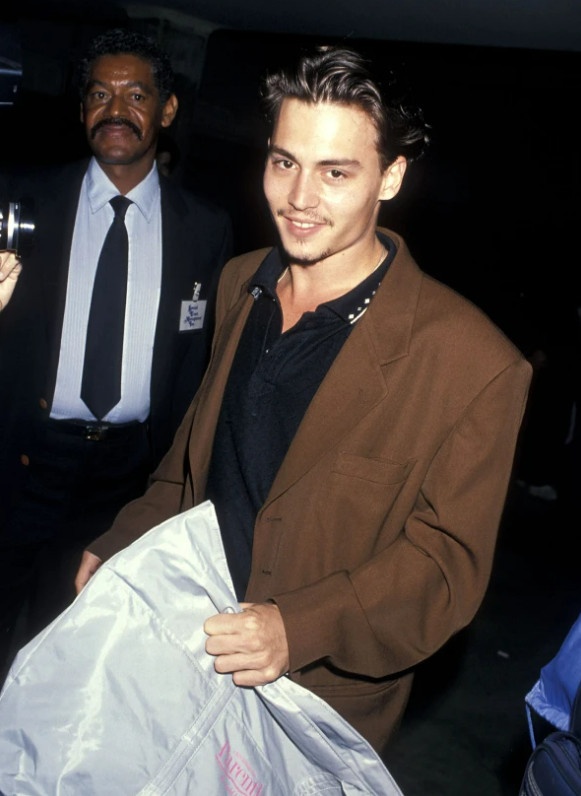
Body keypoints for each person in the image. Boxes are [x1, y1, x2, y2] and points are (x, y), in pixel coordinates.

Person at [76, 45, 532, 755]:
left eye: (335, 172)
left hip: (313, 708)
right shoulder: (236, 285)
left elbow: (444, 569)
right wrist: (120, 542)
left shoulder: (472, 362)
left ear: (391, 176)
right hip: (181, 651)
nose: (298, 199)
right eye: (284, 162)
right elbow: (192, 467)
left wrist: (301, 625)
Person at [0, 28, 232, 679]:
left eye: (135, 94)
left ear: (167, 110)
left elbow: (200, 358)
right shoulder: (21, 200)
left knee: (67, 642)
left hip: (125, 479)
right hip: (21, 458)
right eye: (99, 94)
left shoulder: (206, 229)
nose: (115, 109)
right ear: (81, 112)